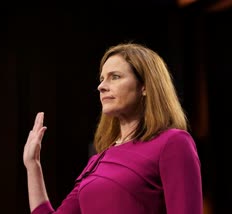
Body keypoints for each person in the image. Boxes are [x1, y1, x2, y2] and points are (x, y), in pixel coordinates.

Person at [23, 42, 203, 214]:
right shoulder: (97, 161)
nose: (101, 86)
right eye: (102, 79)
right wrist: (33, 165)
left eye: (114, 77)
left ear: (145, 86)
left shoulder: (173, 143)